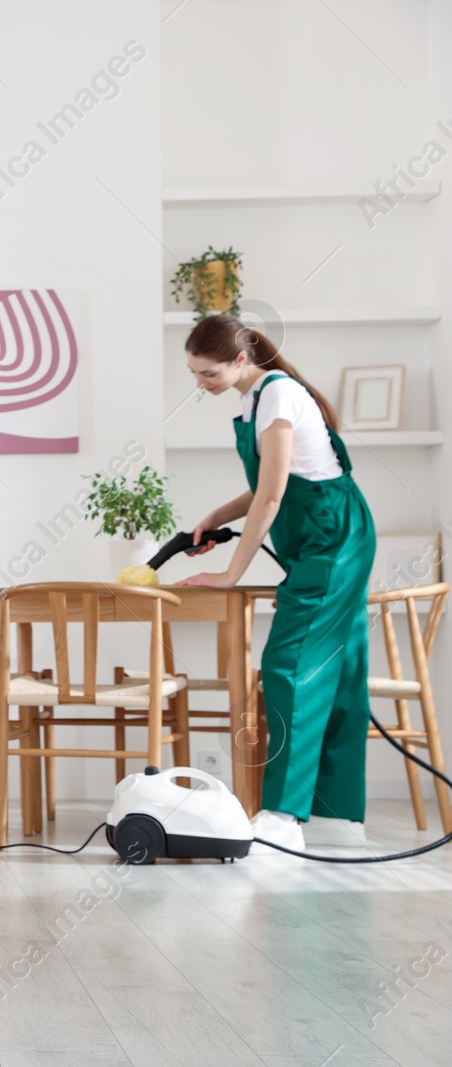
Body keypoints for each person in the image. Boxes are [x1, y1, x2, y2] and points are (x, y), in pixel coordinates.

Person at [177, 314, 376, 852]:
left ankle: (284, 816)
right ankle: (337, 817)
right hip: (325, 534)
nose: (201, 383)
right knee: (340, 666)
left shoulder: (278, 395)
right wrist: (215, 518)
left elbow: (271, 498)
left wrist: (229, 573)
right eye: (195, 374)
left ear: (239, 360)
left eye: (208, 373)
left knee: (288, 666)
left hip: (333, 537)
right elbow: (265, 486)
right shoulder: (254, 400)